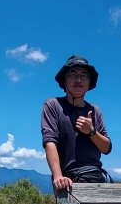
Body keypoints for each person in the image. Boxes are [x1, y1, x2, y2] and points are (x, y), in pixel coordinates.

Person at [41, 55, 112, 191]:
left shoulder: (94, 110)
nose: (78, 80)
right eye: (73, 75)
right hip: (66, 180)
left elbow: (106, 148)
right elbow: (49, 141)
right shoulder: (53, 105)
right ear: (64, 80)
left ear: (89, 82)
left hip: (95, 178)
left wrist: (91, 131)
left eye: (83, 75)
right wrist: (58, 176)